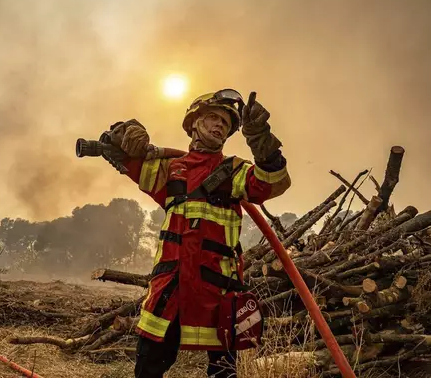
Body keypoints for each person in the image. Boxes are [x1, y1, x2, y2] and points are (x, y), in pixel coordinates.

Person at [103, 89, 291, 378]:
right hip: (170, 288)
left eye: (226, 124)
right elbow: (122, 154)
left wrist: (262, 141)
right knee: (148, 365)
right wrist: (125, 132)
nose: (219, 126)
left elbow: (271, 183)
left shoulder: (234, 170)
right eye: (213, 118)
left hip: (217, 289)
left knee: (223, 371)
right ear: (193, 123)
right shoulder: (170, 168)